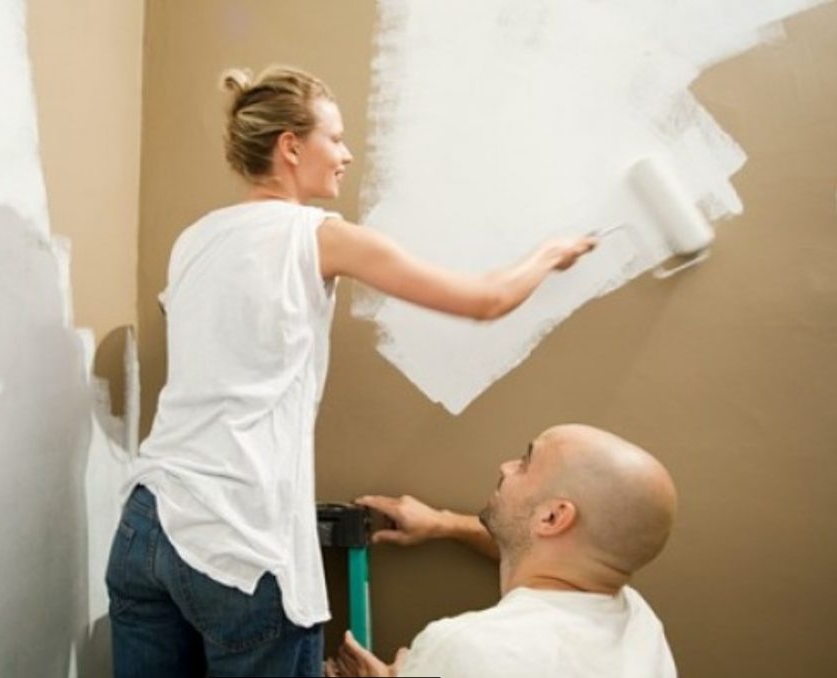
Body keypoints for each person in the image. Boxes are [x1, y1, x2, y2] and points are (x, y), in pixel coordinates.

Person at [105, 64, 597, 678]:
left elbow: (190, 316)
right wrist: (552, 252)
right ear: (290, 146)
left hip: (148, 524)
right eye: (334, 139)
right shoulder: (319, 237)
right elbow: (485, 300)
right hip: (239, 541)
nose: (346, 154)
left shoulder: (195, 240)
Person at [326, 424, 678, 678]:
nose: (506, 467)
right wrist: (444, 523)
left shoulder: (466, 646)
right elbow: (544, 548)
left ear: (553, 517)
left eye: (525, 462)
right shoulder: (640, 622)